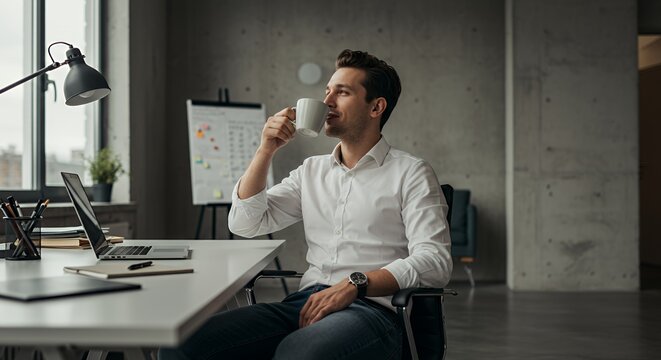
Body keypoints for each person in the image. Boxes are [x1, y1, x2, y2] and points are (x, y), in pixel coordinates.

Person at [160, 49, 452, 360]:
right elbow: (245, 224)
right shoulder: (311, 171)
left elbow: (435, 261)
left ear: (376, 107)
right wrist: (265, 151)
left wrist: (356, 284)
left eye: (342, 92)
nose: (327, 101)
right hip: (305, 302)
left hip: (372, 311)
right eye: (327, 91)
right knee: (182, 346)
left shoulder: (411, 172)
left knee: (298, 354)